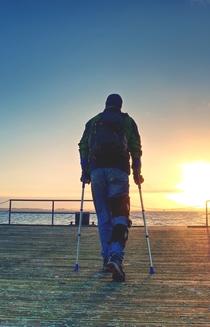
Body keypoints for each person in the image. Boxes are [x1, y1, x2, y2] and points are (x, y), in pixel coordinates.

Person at [78, 93, 143, 282]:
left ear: (106, 105)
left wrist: (85, 170)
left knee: (103, 216)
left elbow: (83, 146)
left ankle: (106, 257)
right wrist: (137, 171)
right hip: (118, 171)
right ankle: (116, 256)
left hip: (97, 172)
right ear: (120, 106)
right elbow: (135, 147)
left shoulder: (93, 121)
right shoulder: (128, 121)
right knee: (120, 215)